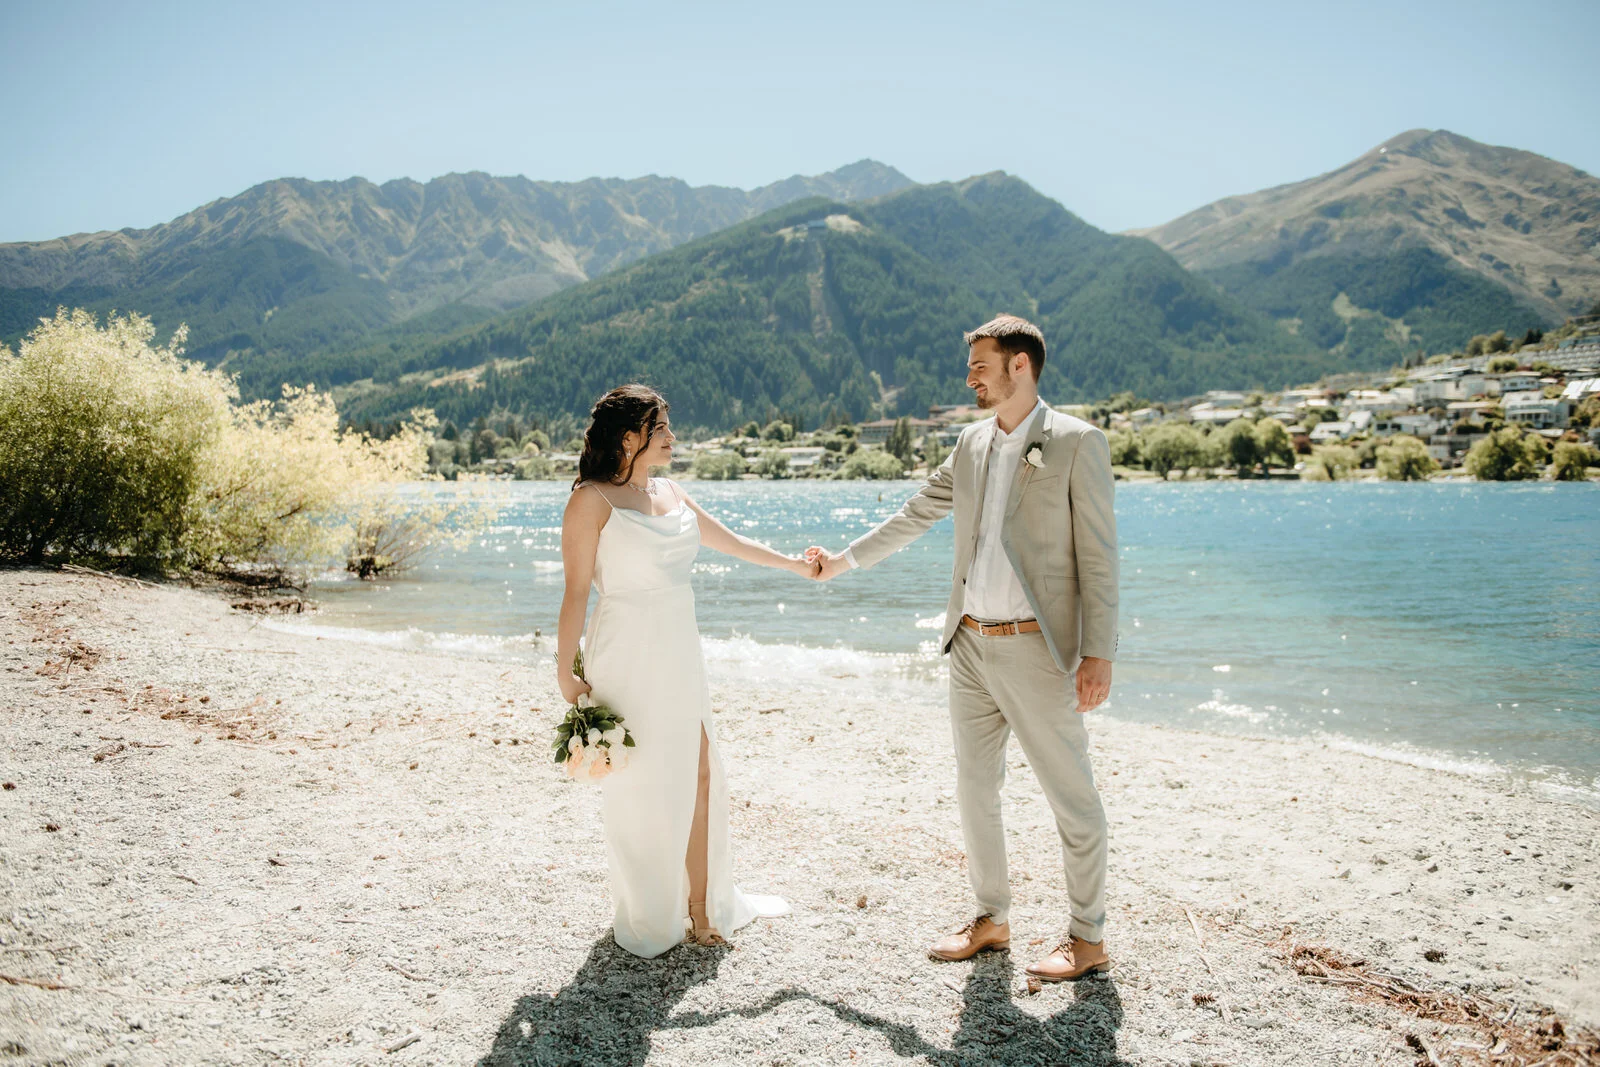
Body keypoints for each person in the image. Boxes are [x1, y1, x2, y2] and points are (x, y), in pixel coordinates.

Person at [806, 315, 1119, 981]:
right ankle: (991, 917)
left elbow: (1099, 557)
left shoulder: (1076, 442)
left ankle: (1088, 936)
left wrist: (1099, 653)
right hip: (970, 642)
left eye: (981, 363)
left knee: (1072, 796)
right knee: (976, 787)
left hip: (1039, 649)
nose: (970, 376)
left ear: (1020, 367)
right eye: (971, 364)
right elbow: (916, 513)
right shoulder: (971, 445)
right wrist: (842, 562)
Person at [558, 384, 808, 957]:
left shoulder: (671, 492)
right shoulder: (589, 501)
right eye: (662, 428)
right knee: (644, 783)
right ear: (630, 439)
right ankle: (651, 907)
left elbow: (733, 542)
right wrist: (564, 670)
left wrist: (795, 565)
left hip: (677, 648)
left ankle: (700, 908)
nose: (673, 437)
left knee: (698, 774)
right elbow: (575, 594)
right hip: (625, 652)